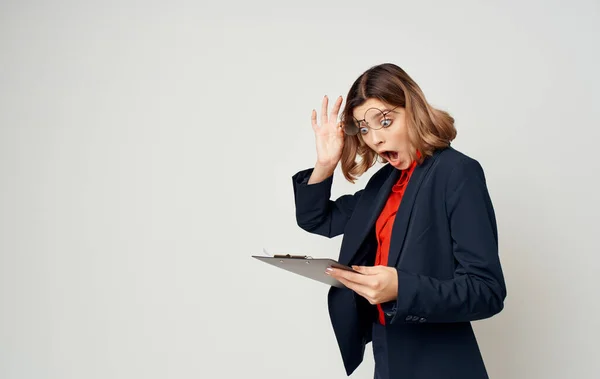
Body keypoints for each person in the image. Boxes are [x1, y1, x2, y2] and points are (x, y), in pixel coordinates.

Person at [291, 63, 507, 379]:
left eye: (386, 121)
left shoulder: (457, 173)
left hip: (440, 361)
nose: (375, 139)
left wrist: (401, 288)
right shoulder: (382, 184)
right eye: (364, 129)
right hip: (386, 349)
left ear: (414, 110)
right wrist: (325, 164)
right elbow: (317, 219)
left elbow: (486, 291)